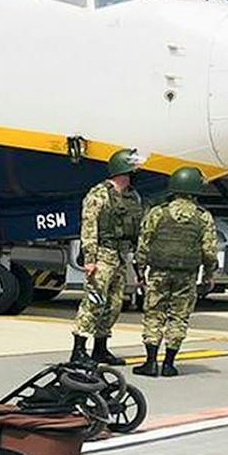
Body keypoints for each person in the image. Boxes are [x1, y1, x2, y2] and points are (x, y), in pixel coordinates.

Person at [135, 166, 217, 377]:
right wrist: (209, 274)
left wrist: (140, 270)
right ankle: (169, 364)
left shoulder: (158, 213)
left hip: (159, 272)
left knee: (154, 314)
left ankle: (150, 362)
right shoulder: (203, 217)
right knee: (179, 317)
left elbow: (143, 244)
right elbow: (209, 251)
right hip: (187, 274)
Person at [72, 149, 145, 366]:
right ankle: (78, 350)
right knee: (94, 301)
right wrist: (90, 259)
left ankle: (100, 349)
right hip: (103, 255)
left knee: (113, 305)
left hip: (121, 255)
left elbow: (137, 228)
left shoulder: (133, 196)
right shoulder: (99, 194)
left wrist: (138, 263)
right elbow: (89, 227)